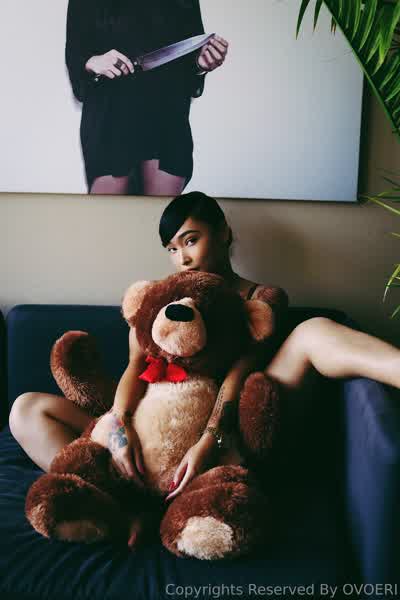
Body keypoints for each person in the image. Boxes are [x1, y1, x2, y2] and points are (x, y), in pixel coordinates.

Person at [10, 191, 400, 546]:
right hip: (152, 434)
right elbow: (135, 367)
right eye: (172, 248)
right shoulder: (162, 301)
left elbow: (240, 372)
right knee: (26, 409)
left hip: (227, 436)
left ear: (224, 233)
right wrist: (120, 425)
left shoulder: (259, 299)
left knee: (313, 331)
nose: (182, 257)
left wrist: (207, 441)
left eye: (191, 240)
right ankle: (120, 506)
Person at [65, 0, 228, 195]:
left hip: (167, 113)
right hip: (110, 114)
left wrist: (201, 64)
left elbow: (191, 62)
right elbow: (75, 53)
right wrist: (92, 61)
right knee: (106, 212)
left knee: (161, 213)